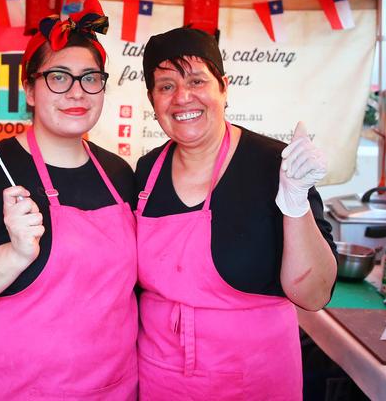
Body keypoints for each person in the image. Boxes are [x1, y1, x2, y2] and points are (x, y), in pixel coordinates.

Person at [0, 0, 138, 401]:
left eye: (90, 78)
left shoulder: (120, 174)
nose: (77, 92)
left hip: (112, 387)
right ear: (30, 89)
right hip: (12, 388)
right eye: (59, 77)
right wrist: (15, 254)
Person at [134, 27, 338, 400]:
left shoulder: (274, 166)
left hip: (255, 379)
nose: (182, 97)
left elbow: (314, 294)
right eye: (165, 86)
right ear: (152, 99)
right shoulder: (146, 172)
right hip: (160, 377)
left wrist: (295, 204)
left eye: (197, 80)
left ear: (223, 87)